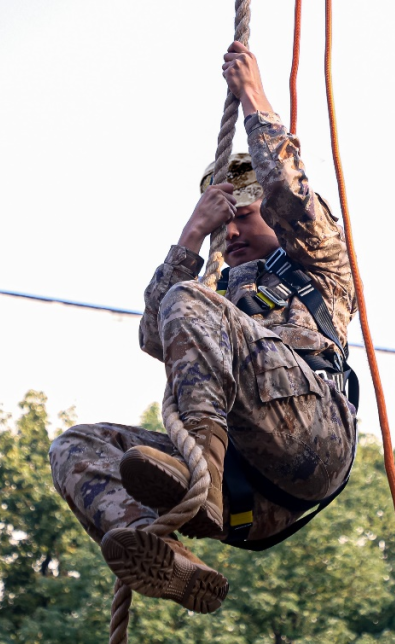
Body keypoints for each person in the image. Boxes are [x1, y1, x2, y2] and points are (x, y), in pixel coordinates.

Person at [49, 41, 357, 614]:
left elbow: (290, 196)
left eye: (245, 215)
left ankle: (203, 479)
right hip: (254, 503)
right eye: (227, 222)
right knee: (78, 446)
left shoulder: (320, 265)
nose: (233, 233)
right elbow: (152, 336)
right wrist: (192, 238)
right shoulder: (215, 293)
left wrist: (254, 98)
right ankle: (163, 549)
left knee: (191, 302)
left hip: (312, 433)